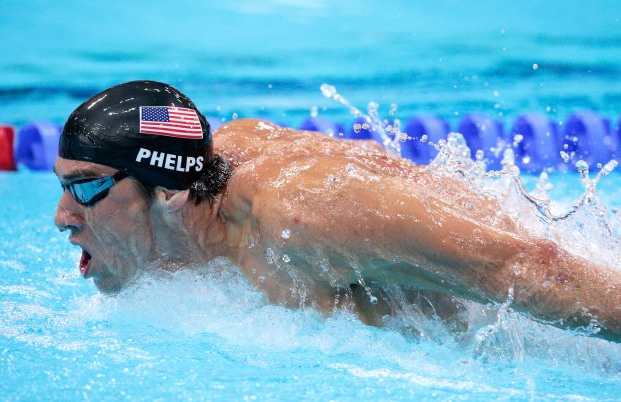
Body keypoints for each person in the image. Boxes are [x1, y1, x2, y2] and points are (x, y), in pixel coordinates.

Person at [54, 80, 621, 342]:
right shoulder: (198, 197)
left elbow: (535, 269)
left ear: (166, 190)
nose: (62, 217)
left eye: (85, 189)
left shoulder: (300, 218)